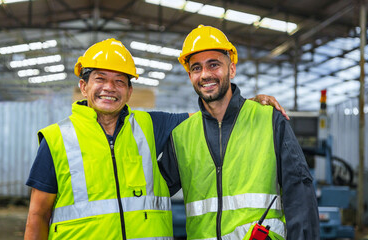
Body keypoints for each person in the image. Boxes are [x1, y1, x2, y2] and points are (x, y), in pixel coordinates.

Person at [24, 38, 287, 240]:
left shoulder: (151, 125)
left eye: (119, 81)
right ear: (84, 86)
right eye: (100, 79)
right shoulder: (57, 139)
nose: (109, 88)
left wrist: (249, 104)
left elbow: (210, 113)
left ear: (129, 91)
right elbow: (38, 214)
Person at [158, 25, 320, 240]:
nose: (205, 74)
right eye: (196, 68)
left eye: (213, 65)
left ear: (231, 69)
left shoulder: (269, 120)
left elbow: (299, 193)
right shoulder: (181, 136)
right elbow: (151, 195)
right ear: (190, 76)